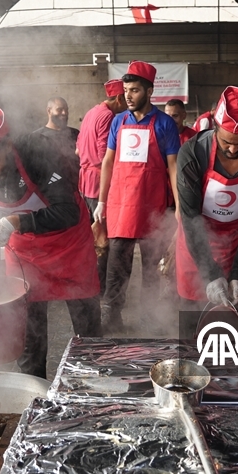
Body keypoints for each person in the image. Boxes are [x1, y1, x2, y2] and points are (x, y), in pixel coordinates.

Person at [0, 106, 101, 378]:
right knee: (28, 328)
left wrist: (15, 222)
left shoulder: (40, 155)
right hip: (25, 255)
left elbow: (68, 212)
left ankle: (94, 376)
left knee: (87, 323)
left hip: (70, 247)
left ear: (8, 146)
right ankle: (32, 386)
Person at [94, 61, 181, 332]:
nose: (128, 95)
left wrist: (178, 207)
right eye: (126, 90)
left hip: (152, 206)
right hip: (121, 207)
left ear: (149, 90)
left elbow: (173, 167)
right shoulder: (118, 121)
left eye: (134, 90)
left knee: (152, 267)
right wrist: (101, 201)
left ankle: (149, 317)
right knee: (116, 267)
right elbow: (108, 162)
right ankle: (111, 314)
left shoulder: (165, 124)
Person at [177, 86, 238, 310]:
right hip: (197, 250)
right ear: (215, 128)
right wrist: (210, 273)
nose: (233, 149)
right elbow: (190, 218)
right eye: (226, 142)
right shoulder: (192, 154)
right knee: (194, 332)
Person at [77, 79, 126, 293]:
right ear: (118, 98)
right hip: (98, 184)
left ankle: (88, 282)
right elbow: (102, 155)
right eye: (126, 98)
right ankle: (101, 286)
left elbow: (78, 150)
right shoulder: (108, 116)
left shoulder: (91, 112)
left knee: (91, 236)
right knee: (102, 240)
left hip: (84, 182)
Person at [31, 96, 79, 178]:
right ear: (49, 111)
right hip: (50, 188)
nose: (64, 113)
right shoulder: (37, 137)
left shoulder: (75, 133)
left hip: (76, 186)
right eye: (59, 109)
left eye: (66, 110)